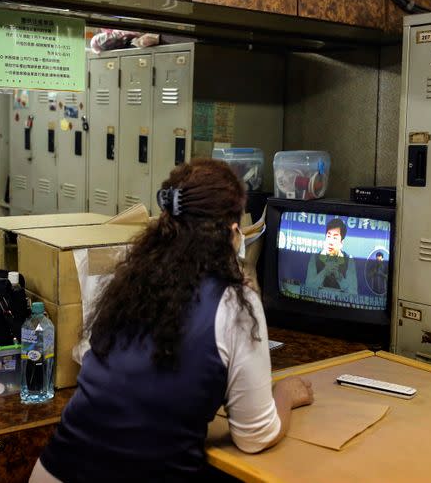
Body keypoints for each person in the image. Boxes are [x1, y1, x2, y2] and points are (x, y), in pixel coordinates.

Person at [31, 159, 314, 482]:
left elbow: (93, 360)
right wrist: (286, 395)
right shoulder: (234, 303)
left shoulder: (126, 281)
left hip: (54, 470)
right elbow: (256, 436)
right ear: (233, 232)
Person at [305, 218, 358, 294]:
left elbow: (353, 293)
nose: (330, 242)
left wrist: (339, 276)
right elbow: (308, 287)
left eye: (335, 238)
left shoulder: (349, 261)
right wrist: (324, 272)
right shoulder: (315, 257)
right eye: (328, 236)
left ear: (341, 242)